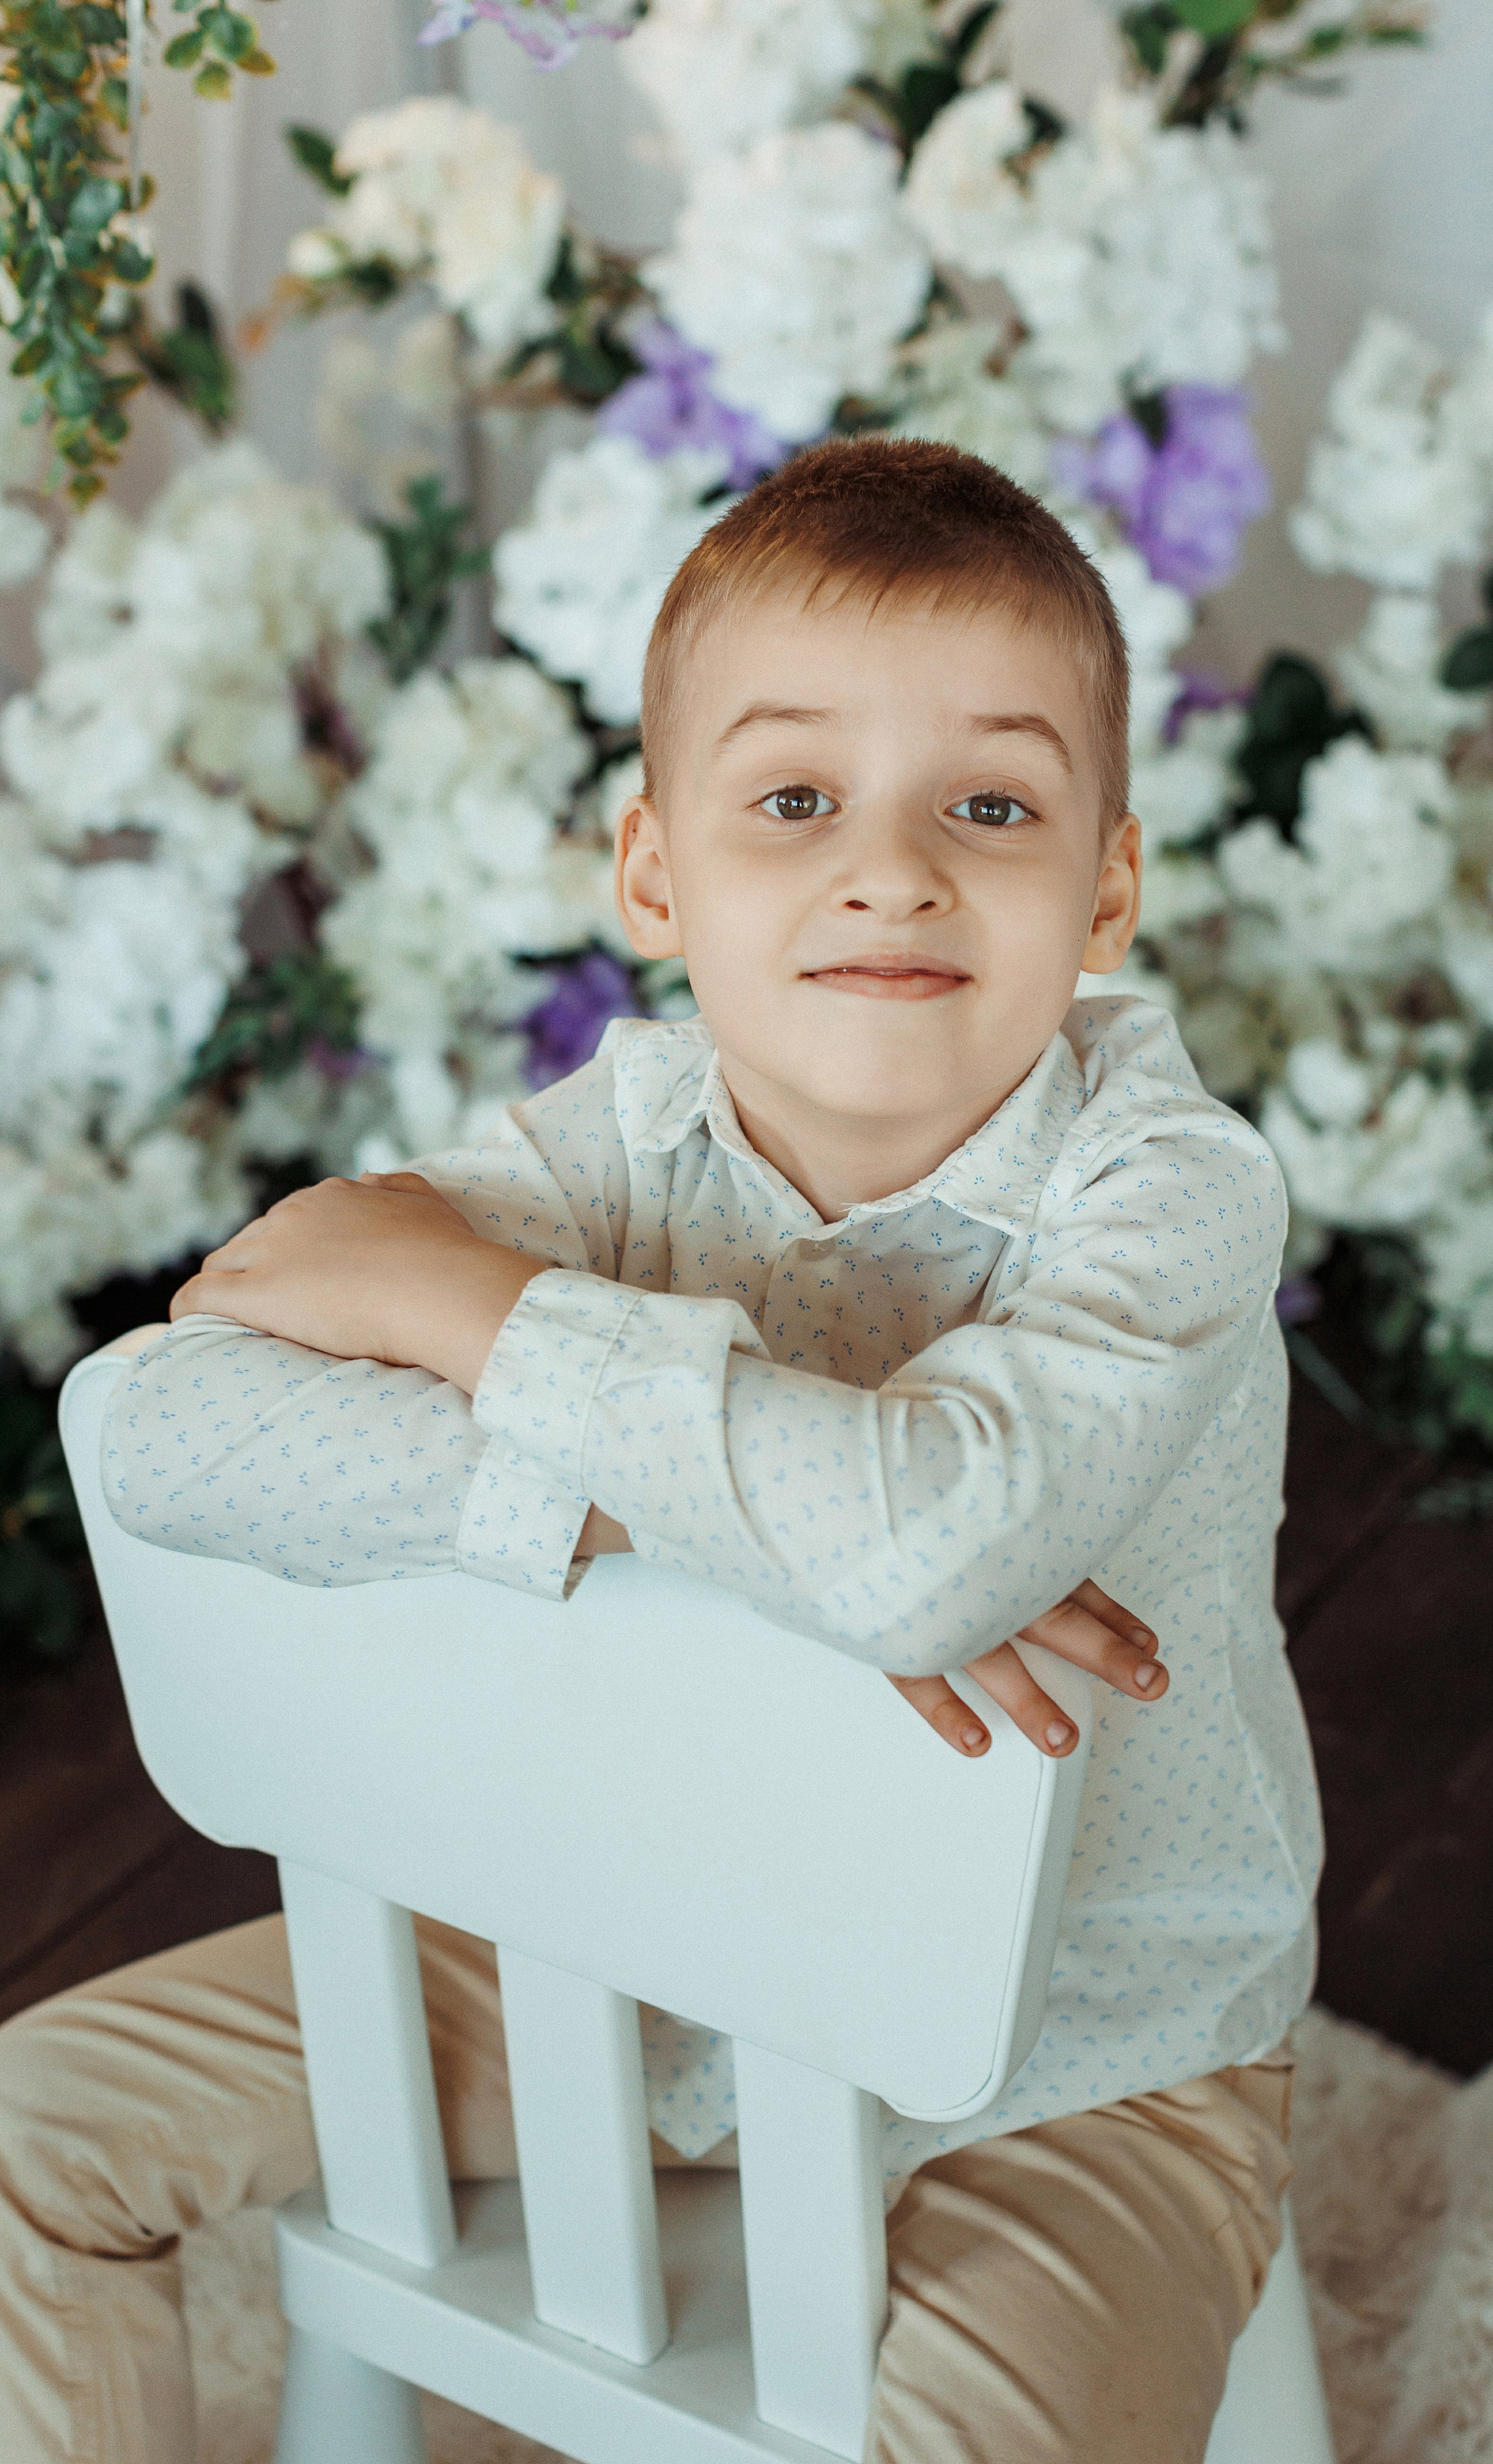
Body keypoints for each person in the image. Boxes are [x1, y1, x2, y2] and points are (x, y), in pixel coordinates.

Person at [0, 438, 1320, 2463]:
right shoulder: (616, 1149)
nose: (894, 870)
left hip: (1080, 2057)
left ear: (1109, 887)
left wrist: (475, 1313)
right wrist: (720, 1531)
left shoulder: (1175, 1193)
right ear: (653, 873)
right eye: (794, 801)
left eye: (991, 804)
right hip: (609, 1957)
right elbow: (158, 1429)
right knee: (21, 2141)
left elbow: (929, 1557)